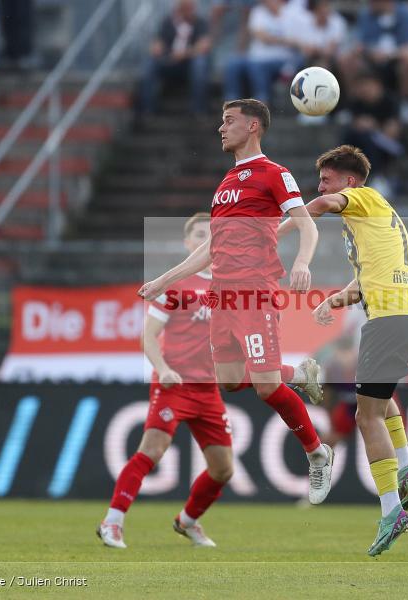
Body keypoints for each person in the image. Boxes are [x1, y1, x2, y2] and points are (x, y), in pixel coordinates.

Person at [139, 99, 335, 506]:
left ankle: (316, 453)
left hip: (254, 292)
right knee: (229, 379)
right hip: (221, 298)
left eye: (229, 121)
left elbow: (305, 224)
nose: (221, 128)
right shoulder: (226, 183)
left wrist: (302, 261)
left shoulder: (274, 173)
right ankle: (296, 372)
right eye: (221, 120)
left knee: (265, 387)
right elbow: (211, 249)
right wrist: (164, 279)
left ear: (254, 127)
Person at [100, 212, 324, 549]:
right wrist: (163, 368)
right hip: (174, 385)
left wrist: (300, 221)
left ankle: (187, 521)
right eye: (200, 235)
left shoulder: (231, 285)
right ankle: (112, 522)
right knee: (153, 450)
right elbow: (148, 336)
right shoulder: (177, 285)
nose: (209, 239)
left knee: (223, 469)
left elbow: (267, 233)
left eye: (212, 233)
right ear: (190, 243)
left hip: (211, 388)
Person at [279, 145, 408, 557]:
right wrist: (331, 301)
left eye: (327, 178)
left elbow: (326, 203)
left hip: (390, 319)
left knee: (366, 416)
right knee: (380, 407)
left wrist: (280, 226)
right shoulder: (372, 223)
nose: (320, 186)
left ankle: (391, 510)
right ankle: (406, 472)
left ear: (349, 181)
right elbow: (365, 283)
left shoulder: (364, 197)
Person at [338, 0, 408, 123]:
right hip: (371, 59)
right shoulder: (366, 14)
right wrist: (371, 51)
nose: (371, 4)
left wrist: (390, 54)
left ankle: (406, 103)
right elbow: (358, 44)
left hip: (396, 60)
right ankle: (352, 106)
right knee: (346, 60)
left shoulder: (406, 14)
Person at [135, 0, 212, 118]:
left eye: (190, 8)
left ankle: (198, 109)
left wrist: (184, 54)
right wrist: (158, 48)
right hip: (169, 62)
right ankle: (148, 109)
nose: (188, 11)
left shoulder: (200, 23)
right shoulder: (168, 22)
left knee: (200, 64)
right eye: (184, 8)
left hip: (189, 64)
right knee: (150, 64)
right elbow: (157, 43)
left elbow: (204, 46)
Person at [222, 0, 303, 105]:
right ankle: (231, 103)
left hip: (281, 58)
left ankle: (261, 102)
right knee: (233, 63)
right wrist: (282, 40)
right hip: (256, 56)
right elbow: (260, 35)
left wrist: (271, 38)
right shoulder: (258, 12)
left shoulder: (291, 13)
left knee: (256, 65)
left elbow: (296, 40)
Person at [341, 71, 404, 197]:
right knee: (351, 135)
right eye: (362, 86)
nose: (365, 90)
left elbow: (393, 131)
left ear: (378, 86)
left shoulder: (390, 101)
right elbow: (355, 123)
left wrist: (374, 126)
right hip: (365, 141)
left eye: (368, 86)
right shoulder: (358, 103)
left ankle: (377, 177)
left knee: (369, 137)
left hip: (390, 144)